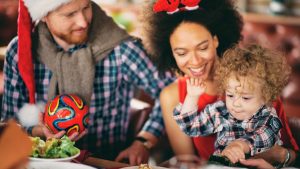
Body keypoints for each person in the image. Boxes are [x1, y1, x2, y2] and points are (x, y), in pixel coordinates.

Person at [0, 0, 174, 165]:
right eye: (70, 14)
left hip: (105, 162)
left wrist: (143, 142)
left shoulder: (121, 48)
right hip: (42, 162)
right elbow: (10, 120)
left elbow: (171, 90)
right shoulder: (20, 51)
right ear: (44, 15)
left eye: (86, 7)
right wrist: (37, 131)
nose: (83, 22)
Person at [142, 0, 299, 167]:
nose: (195, 61)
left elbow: (293, 156)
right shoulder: (178, 98)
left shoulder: (256, 82)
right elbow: (187, 162)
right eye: (182, 53)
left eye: (202, 48)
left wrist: (279, 155)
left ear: (216, 40)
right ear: (170, 53)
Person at [173, 44, 288, 164]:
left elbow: (264, 137)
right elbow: (190, 127)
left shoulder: (268, 117)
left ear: (265, 97)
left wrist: (239, 145)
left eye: (245, 98)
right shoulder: (220, 111)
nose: (235, 103)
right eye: (230, 95)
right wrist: (192, 97)